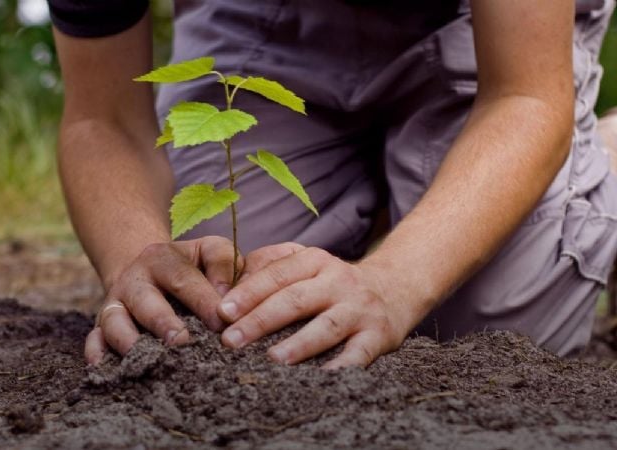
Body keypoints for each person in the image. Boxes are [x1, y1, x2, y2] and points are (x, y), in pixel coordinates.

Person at [49, 0, 617, 368]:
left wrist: (394, 282)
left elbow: (523, 95)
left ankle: (604, 150)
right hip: (265, 16)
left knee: (488, 334)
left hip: (492, 26)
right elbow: (104, 118)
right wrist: (135, 260)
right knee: (221, 299)